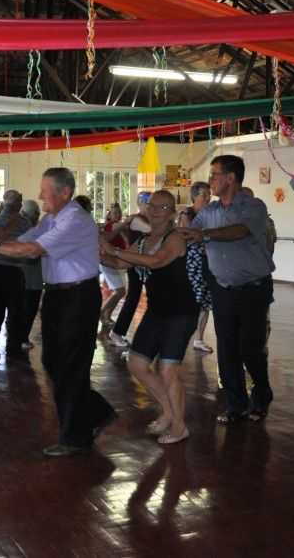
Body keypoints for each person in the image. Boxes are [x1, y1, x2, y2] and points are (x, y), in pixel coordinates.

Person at [0, 168, 116, 457]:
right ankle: (96, 412)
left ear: (64, 192)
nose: (40, 195)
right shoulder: (52, 218)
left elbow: (31, 249)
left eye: (45, 189)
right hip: (58, 295)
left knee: (69, 365)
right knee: (54, 362)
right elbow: (24, 240)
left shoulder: (76, 221)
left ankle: (76, 436)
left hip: (78, 297)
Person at [179, 155, 276, 424]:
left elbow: (239, 231)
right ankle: (236, 404)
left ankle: (261, 395)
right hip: (222, 288)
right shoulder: (209, 211)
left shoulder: (253, 207)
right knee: (227, 348)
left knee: (251, 347)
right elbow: (189, 235)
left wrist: (205, 235)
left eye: (214, 175)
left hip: (253, 289)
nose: (210, 181)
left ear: (231, 178)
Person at [100, 190, 200, 444]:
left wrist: (115, 250)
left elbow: (156, 262)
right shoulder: (144, 240)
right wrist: (92, 251)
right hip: (157, 311)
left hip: (180, 311)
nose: (154, 211)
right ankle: (169, 411)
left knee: (167, 369)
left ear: (173, 213)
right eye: (152, 206)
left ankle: (179, 426)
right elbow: (120, 264)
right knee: (137, 364)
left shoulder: (177, 237)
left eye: (162, 207)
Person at [0, 189, 32, 363]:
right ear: (17, 203)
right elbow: (29, 244)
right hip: (14, 270)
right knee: (15, 311)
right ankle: (13, 348)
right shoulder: (24, 222)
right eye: (20, 201)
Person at [107, 191, 151, 348]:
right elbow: (154, 231)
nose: (150, 207)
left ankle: (119, 333)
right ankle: (117, 333)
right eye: (148, 204)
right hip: (134, 263)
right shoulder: (137, 219)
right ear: (140, 204)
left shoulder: (141, 218)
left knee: (144, 298)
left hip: (143, 263)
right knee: (133, 297)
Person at [179, 181, 214, 354]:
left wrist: (204, 236)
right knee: (194, 300)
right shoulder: (187, 212)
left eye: (209, 194)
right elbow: (189, 235)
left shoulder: (211, 213)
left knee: (206, 301)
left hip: (209, 261)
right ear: (194, 196)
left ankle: (199, 339)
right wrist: (206, 235)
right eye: (204, 195)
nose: (207, 198)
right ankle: (181, 336)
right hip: (192, 261)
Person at [16, 199, 42, 350]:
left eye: (37, 213)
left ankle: (21, 337)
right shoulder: (23, 228)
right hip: (26, 275)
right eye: (34, 213)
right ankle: (21, 337)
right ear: (24, 213)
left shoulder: (38, 229)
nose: (36, 216)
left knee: (29, 307)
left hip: (33, 277)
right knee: (25, 307)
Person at [99, 203, 128, 327]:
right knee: (120, 291)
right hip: (109, 262)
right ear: (109, 215)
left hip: (118, 262)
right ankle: (101, 313)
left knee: (120, 291)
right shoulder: (112, 225)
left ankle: (106, 315)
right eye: (114, 212)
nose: (117, 214)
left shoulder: (114, 227)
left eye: (118, 212)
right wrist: (130, 220)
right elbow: (123, 225)